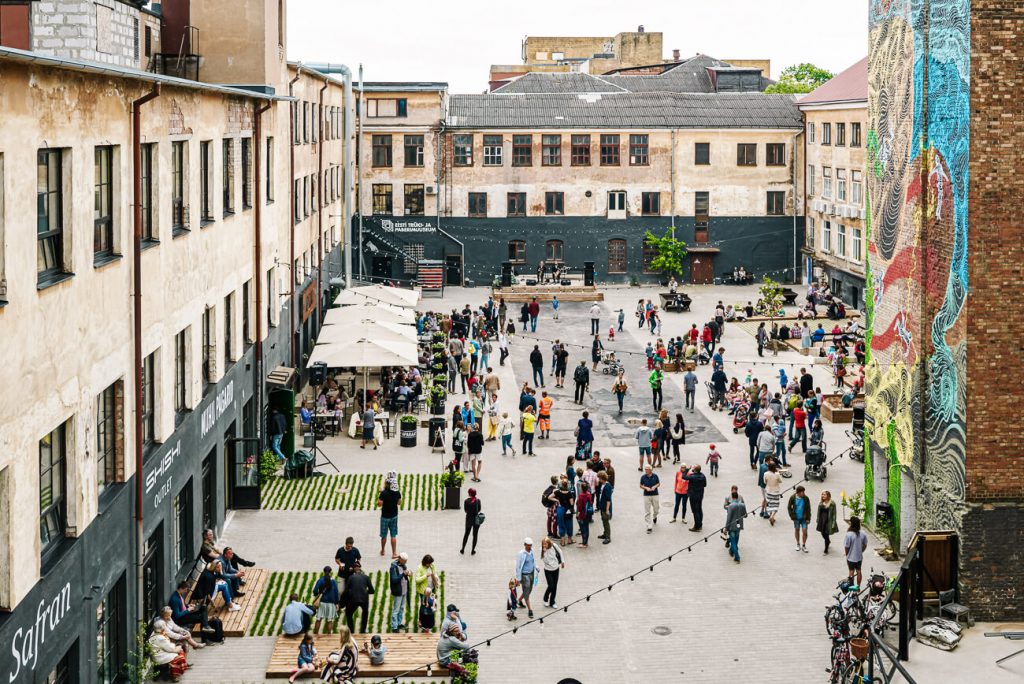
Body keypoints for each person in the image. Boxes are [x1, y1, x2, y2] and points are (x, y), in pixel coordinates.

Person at [342, 564, 374, 634]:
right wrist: (365, 592)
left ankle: (351, 631)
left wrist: (343, 602)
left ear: (354, 570)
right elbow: (372, 590)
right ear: (360, 569)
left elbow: (346, 591)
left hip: (353, 599)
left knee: (349, 613)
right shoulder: (366, 577)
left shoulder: (351, 577)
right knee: (365, 614)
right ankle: (363, 631)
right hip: (364, 599)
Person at [377, 472, 402, 558]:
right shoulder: (397, 492)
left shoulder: (384, 493)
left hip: (385, 517)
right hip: (394, 516)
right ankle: (394, 553)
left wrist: (380, 494)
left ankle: (383, 550)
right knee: (393, 535)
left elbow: (379, 504)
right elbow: (399, 503)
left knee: (384, 535)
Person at [312, 567, 340, 635]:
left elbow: (315, 590)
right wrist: (337, 603)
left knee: (318, 619)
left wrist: (317, 594)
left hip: (322, 602)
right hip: (331, 603)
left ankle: (316, 634)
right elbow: (336, 593)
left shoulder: (320, 580)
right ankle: (329, 635)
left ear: (323, 572)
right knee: (329, 620)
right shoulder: (333, 581)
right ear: (331, 572)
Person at [388, 553, 412, 632]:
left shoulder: (403, 565)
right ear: (400, 559)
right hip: (398, 591)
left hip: (404, 590)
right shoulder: (393, 567)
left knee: (401, 608)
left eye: (406, 561)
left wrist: (408, 574)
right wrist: (403, 574)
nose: (405, 562)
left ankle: (399, 623)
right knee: (396, 610)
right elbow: (394, 580)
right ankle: (394, 627)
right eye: (404, 561)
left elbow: (404, 575)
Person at [515, 538, 537, 618]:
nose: (530, 547)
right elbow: (518, 567)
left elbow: (534, 561)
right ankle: (530, 610)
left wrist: (536, 567)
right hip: (525, 575)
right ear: (525, 545)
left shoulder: (532, 551)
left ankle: (518, 601)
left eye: (531, 545)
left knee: (529, 590)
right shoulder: (521, 554)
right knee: (526, 591)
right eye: (528, 545)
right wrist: (518, 578)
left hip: (532, 573)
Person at [844, 516, 870, 586]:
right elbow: (865, 544)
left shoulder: (849, 534)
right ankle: (858, 587)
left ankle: (852, 588)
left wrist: (847, 554)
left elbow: (846, 547)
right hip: (859, 557)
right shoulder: (863, 533)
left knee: (851, 572)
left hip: (850, 558)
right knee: (859, 571)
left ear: (852, 524)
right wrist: (861, 551)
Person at [540, 537, 565, 608]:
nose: (544, 546)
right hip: (548, 570)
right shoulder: (542, 550)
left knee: (555, 586)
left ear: (549, 543)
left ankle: (552, 602)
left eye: (545, 544)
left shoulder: (554, 546)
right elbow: (544, 560)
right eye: (543, 544)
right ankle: (545, 598)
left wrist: (563, 561)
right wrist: (544, 552)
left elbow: (560, 551)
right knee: (551, 585)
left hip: (556, 569)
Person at [725, 490, 748, 564]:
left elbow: (729, 518)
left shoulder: (731, 506)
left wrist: (726, 528)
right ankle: (731, 551)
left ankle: (737, 557)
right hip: (739, 525)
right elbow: (745, 515)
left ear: (732, 497)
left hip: (732, 526)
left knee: (733, 541)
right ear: (737, 497)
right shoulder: (742, 505)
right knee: (736, 539)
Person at [788, 485, 812, 553]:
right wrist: (792, 516)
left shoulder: (806, 498)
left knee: (805, 532)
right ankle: (798, 544)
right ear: (798, 492)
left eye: (803, 492)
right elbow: (789, 507)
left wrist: (808, 518)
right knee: (797, 530)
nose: (803, 493)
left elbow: (808, 509)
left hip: (804, 518)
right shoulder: (792, 498)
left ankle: (804, 545)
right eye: (802, 492)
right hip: (796, 518)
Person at [682, 465, 707, 531]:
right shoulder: (703, 476)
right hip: (700, 495)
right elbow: (705, 485)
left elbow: (683, 476)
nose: (692, 468)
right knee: (699, 509)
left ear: (695, 470)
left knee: (695, 511)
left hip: (693, 496)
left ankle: (697, 526)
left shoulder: (692, 477)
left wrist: (687, 469)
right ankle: (700, 524)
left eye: (693, 467)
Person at [640, 464, 660, 533]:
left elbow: (658, 483)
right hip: (646, 495)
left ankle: (655, 516)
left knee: (656, 509)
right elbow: (641, 485)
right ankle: (649, 526)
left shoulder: (655, 476)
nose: (646, 470)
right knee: (647, 511)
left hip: (655, 494)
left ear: (651, 470)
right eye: (645, 469)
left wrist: (655, 486)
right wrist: (646, 488)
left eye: (647, 469)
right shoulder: (643, 477)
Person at [461, 489, 482, 555]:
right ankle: (473, 550)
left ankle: (463, 549)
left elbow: (465, 510)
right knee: (475, 535)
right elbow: (479, 509)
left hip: (469, 519)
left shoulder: (466, 501)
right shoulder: (478, 500)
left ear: (469, 494)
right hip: (476, 520)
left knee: (466, 534)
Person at [763, 462, 783, 526]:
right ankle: (772, 516)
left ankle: (770, 514)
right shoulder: (777, 474)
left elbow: (764, 481)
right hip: (775, 491)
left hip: (768, 490)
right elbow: (780, 481)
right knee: (775, 504)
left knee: (770, 504)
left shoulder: (765, 474)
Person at [597, 471, 613, 544]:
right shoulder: (603, 485)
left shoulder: (607, 487)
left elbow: (608, 500)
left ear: (602, 478)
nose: (598, 480)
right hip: (602, 506)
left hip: (605, 507)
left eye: (599, 478)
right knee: (603, 521)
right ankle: (605, 533)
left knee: (606, 522)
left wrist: (607, 510)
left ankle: (608, 537)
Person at [576, 481, 594, 547]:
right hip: (588, 513)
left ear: (581, 488)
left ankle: (584, 543)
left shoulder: (581, 496)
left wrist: (578, 514)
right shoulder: (589, 494)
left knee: (583, 528)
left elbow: (580, 507)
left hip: (583, 514)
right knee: (587, 527)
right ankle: (586, 542)